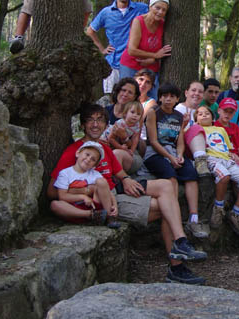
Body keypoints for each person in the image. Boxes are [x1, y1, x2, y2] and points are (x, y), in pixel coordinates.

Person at [48, 104, 207, 284]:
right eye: (90, 120)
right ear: (83, 125)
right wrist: (87, 190)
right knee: (168, 208)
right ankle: (177, 267)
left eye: (99, 120)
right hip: (106, 200)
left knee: (165, 187)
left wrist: (125, 179)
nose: (95, 124)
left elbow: (118, 172)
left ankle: (180, 242)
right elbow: (53, 192)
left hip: (118, 189)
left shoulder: (104, 147)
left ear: (105, 125)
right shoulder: (75, 151)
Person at [143, 83, 206, 239]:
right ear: (160, 97)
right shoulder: (153, 113)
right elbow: (153, 141)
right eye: (165, 96)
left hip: (172, 153)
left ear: (178, 98)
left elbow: (179, 140)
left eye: (172, 96)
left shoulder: (178, 116)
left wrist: (179, 155)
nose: (168, 99)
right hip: (154, 154)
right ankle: (174, 215)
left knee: (191, 173)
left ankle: (193, 217)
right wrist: (170, 158)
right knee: (171, 175)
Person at [196, 104, 239, 236]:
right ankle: (218, 207)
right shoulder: (197, 129)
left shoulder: (220, 130)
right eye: (200, 114)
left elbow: (227, 147)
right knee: (224, 176)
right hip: (211, 159)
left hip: (227, 159)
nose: (204, 115)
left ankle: (236, 212)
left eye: (207, 113)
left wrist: (233, 154)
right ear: (196, 119)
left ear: (213, 117)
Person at [86, 0, 149, 93]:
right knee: (112, 98)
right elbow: (90, 31)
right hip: (113, 64)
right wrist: (102, 49)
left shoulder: (141, 9)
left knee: (132, 99)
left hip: (133, 64)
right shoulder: (106, 12)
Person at [50, 141, 119, 226]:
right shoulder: (65, 173)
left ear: (95, 165)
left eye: (93, 159)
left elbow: (107, 191)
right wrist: (82, 197)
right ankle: (90, 215)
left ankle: (109, 217)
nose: (89, 159)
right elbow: (62, 196)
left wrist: (114, 205)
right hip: (74, 209)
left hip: (94, 205)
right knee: (54, 204)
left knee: (101, 182)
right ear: (78, 153)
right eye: (87, 154)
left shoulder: (95, 174)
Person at [119, 0, 172, 99]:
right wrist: (156, 55)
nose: (160, 12)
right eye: (157, 8)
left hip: (151, 68)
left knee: (153, 98)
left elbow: (162, 51)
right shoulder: (138, 21)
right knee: (127, 97)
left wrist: (153, 59)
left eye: (164, 10)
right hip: (131, 66)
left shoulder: (163, 24)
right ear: (150, 6)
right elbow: (132, 50)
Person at [104, 77, 143, 174]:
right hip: (105, 149)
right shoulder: (105, 111)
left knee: (115, 154)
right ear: (117, 91)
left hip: (127, 154)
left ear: (134, 97)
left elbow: (136, 145)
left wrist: (124, 137)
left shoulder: (135, 117)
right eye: (123, 90)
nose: (125, 94)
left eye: (130, 92)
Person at [174, 80, 211, 175]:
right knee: (195, 128)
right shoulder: (179, 110)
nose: (197, 94)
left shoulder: (203, 112)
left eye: (200, 92)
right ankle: (201, 165)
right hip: (184, 147)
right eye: (193, 90)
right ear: (186, 93)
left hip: (204, 148)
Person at [102, 100, 144, 166]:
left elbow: (135, 139)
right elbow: (111, 139)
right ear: (125, 113)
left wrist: (132, 151)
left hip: (120, 141)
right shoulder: (120, 124)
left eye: (138, 114)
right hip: (107, 138)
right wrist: (120, 147)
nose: (135, 115)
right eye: (132, 112)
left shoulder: (137, 125)